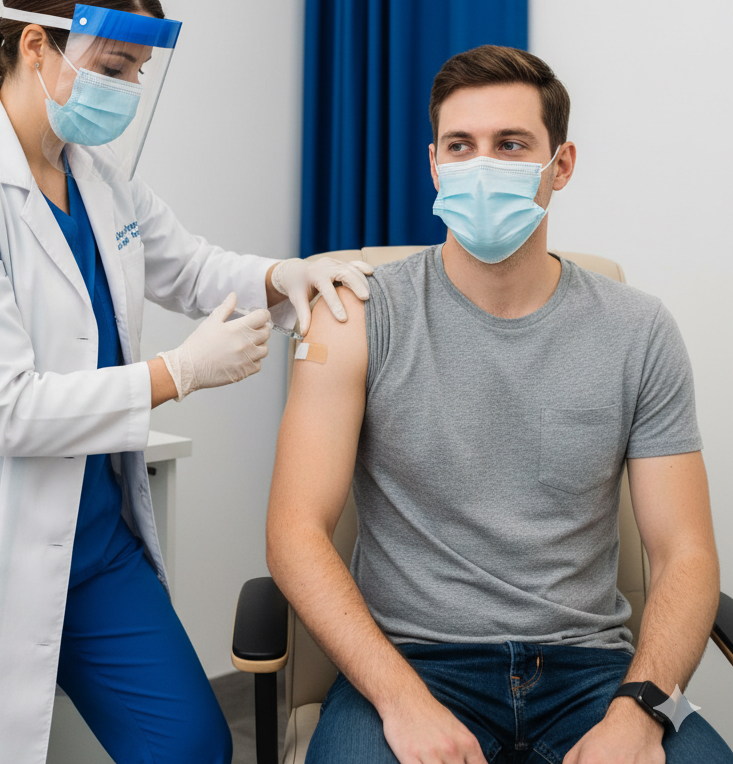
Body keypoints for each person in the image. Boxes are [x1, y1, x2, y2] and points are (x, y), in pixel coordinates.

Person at [0, 0, 372, 764]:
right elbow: (7, 410)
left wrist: (283, 273)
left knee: (191, 743)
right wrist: (178, 373)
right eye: (112, 68)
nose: (124, 91)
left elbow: (190, 266)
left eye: (134, 76)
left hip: (90, 543)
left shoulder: (96, 175)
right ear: (37, 45)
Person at [266, 46, 732, 764]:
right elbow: (296, 530)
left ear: (562, 165)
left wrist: (641, 713)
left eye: (510, 145)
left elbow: (687, 555)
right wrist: (401, 701)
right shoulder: (355, 313)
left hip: (593, 670)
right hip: (412, 662)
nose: (481, 165)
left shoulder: (638, 330)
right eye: (461, 146)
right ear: (434, 165)